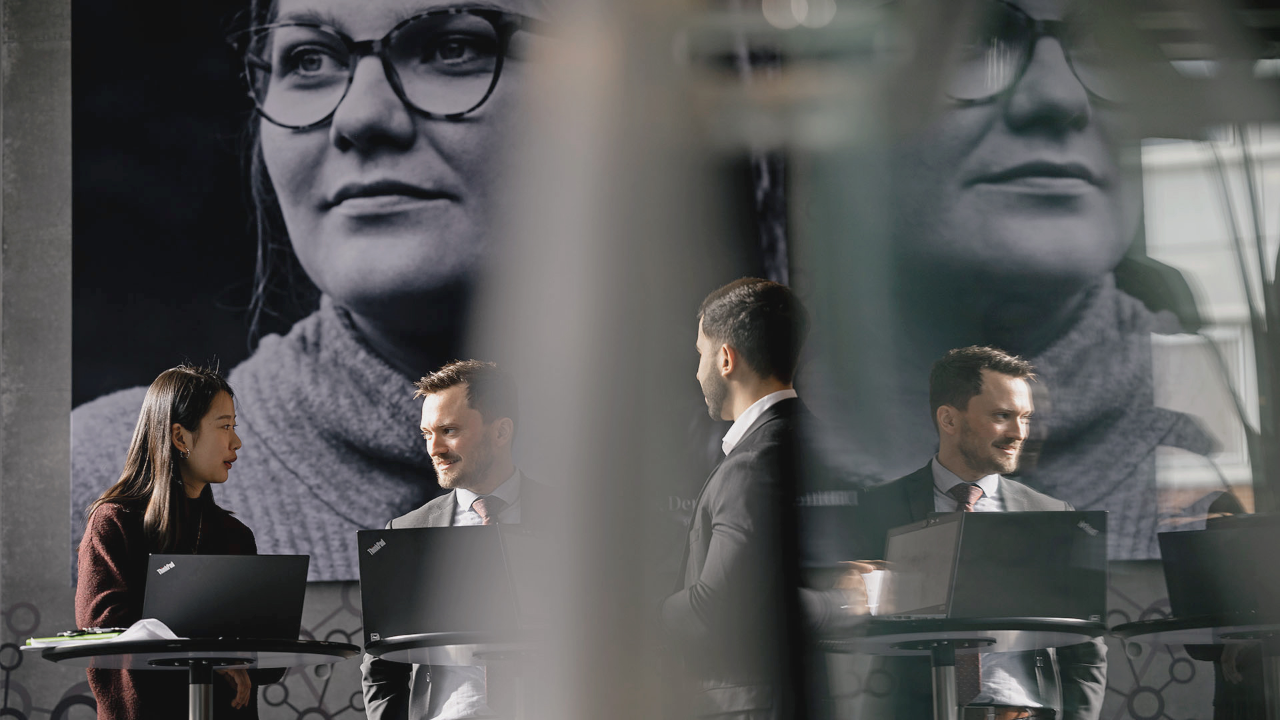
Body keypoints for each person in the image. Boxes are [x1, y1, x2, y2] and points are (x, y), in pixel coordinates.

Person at [71, 0, 548, 580]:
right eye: (309, 58)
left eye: (454, 48)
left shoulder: (661, 479)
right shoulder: (87, 487)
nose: (362, 115)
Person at [803, 0, 1219, 560]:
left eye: (1102, 45)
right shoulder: (725, 441)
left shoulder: (1203, 454)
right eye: (970, 41)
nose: (1059, 96)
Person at [857, 346, 1107, 720]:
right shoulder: (878, 508)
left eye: (1025, 418)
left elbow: (1085, 650)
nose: (1019, 433)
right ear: (949, 419)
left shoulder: (1053, 514)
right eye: (1002, 416)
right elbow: (850, 624)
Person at [663, 278, 871, 720]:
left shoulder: (751, 463)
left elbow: (718, 609)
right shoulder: (828, 450)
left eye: (700, 353)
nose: (697, 371)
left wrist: (635, 609)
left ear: (725, 359)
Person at [361, 359, 556, 720]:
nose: (433, 448)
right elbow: (381, 665)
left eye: (448, 430)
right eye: (427, 434)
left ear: (501, 432)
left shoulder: (573, 523)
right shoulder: (405, 531)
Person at [75, 364, 272, 719]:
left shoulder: (236, 535)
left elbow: (262, 655)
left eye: (235, 427)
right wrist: (210, 656)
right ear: (180, 437)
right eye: (224, 426)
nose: (236, 442)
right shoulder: (114, 523)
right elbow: (102, 631)